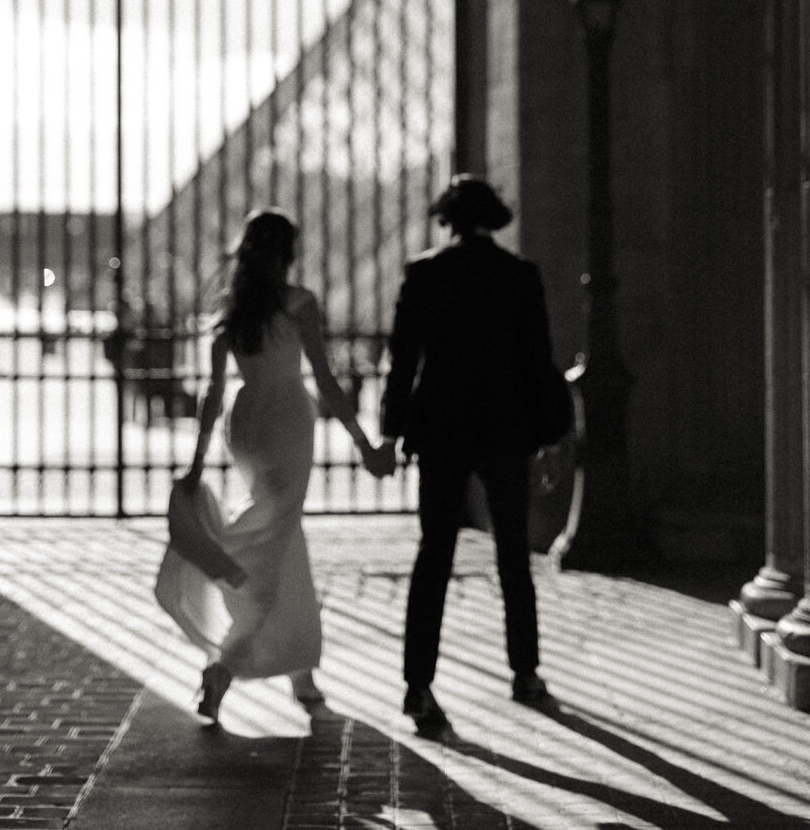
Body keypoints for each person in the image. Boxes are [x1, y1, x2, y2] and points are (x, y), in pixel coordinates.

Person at [156, 207, 389, 722]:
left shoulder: (231, 307)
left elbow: (213, 394)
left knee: (284, 535)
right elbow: (326, 380)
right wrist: (363, 443)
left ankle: (301, 670)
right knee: (274, 536)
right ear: (288, 253)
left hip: (247, 422)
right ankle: (225, 665)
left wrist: (197, 463)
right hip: (287, 419)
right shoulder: (299, 303)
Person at [377, 174, 557, 737]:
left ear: (447, 217)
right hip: (505, 426)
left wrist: (390, 430)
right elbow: (537, 360)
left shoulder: (424, 273)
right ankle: (524, 672)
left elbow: (403, 360)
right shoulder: (520, 276)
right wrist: (550, 433)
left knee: (434, 554)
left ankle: (418, 685)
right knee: (512, 554)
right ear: (494, 216)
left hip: (443, 427)